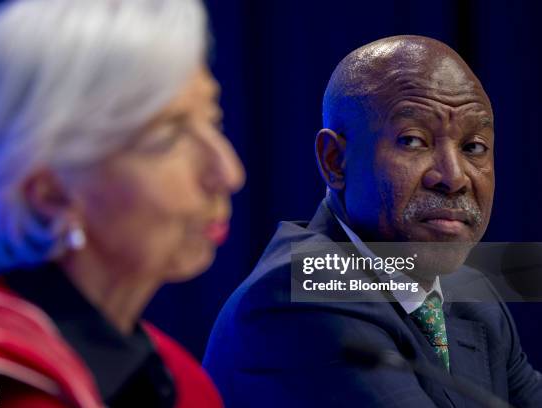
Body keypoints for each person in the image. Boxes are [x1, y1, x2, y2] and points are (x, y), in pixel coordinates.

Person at [0, 0, 244, 406]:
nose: (228, 172)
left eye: (213, 120)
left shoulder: (180, 377)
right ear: (50, 194)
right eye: (167, 138)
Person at [203, 35, 542, 407]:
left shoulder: (469, 292)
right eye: (413, 141)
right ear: (335, 161)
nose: (454, 177)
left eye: (473, 147)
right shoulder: (303, 292)